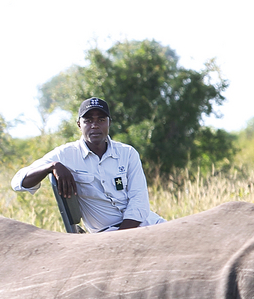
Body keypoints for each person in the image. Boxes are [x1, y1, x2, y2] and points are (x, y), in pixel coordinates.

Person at [11, 97, 166, 232]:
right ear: (79, 124)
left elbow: (139, 203)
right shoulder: (66, 154)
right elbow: (18, 182)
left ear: (109, 123)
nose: (95, 125)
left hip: (147, 224)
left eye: (101, 120)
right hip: (105, 234)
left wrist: (122, 236)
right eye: (88, 120)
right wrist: (52, 166)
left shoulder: (128, 153)